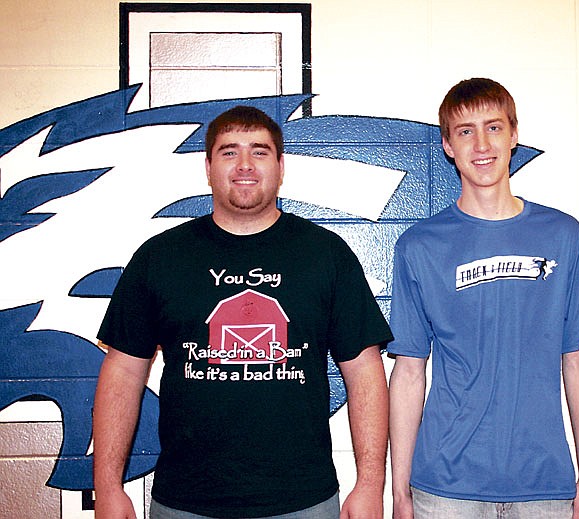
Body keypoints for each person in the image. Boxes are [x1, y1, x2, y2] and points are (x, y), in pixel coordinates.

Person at [93, 105, 393, 519]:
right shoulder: (160, 258)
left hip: (303, 502)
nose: (245, 165)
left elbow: (364, 372)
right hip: (184, 504)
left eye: (260, 151)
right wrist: (107, 487)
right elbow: (123, 372)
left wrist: (371, 485)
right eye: (230, 152)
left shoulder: (326, 255)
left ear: (281, 165)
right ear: (208, 166)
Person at [388, 78, 579, 519]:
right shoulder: (419, 245)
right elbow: (408, 372)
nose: (481, 144)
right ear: (447, 144)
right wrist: (400, 490)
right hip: (445, 488)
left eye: (494, 127)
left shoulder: (563, 235)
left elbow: (578, 358)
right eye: (465, 131)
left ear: (514, 135)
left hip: (544, 485)